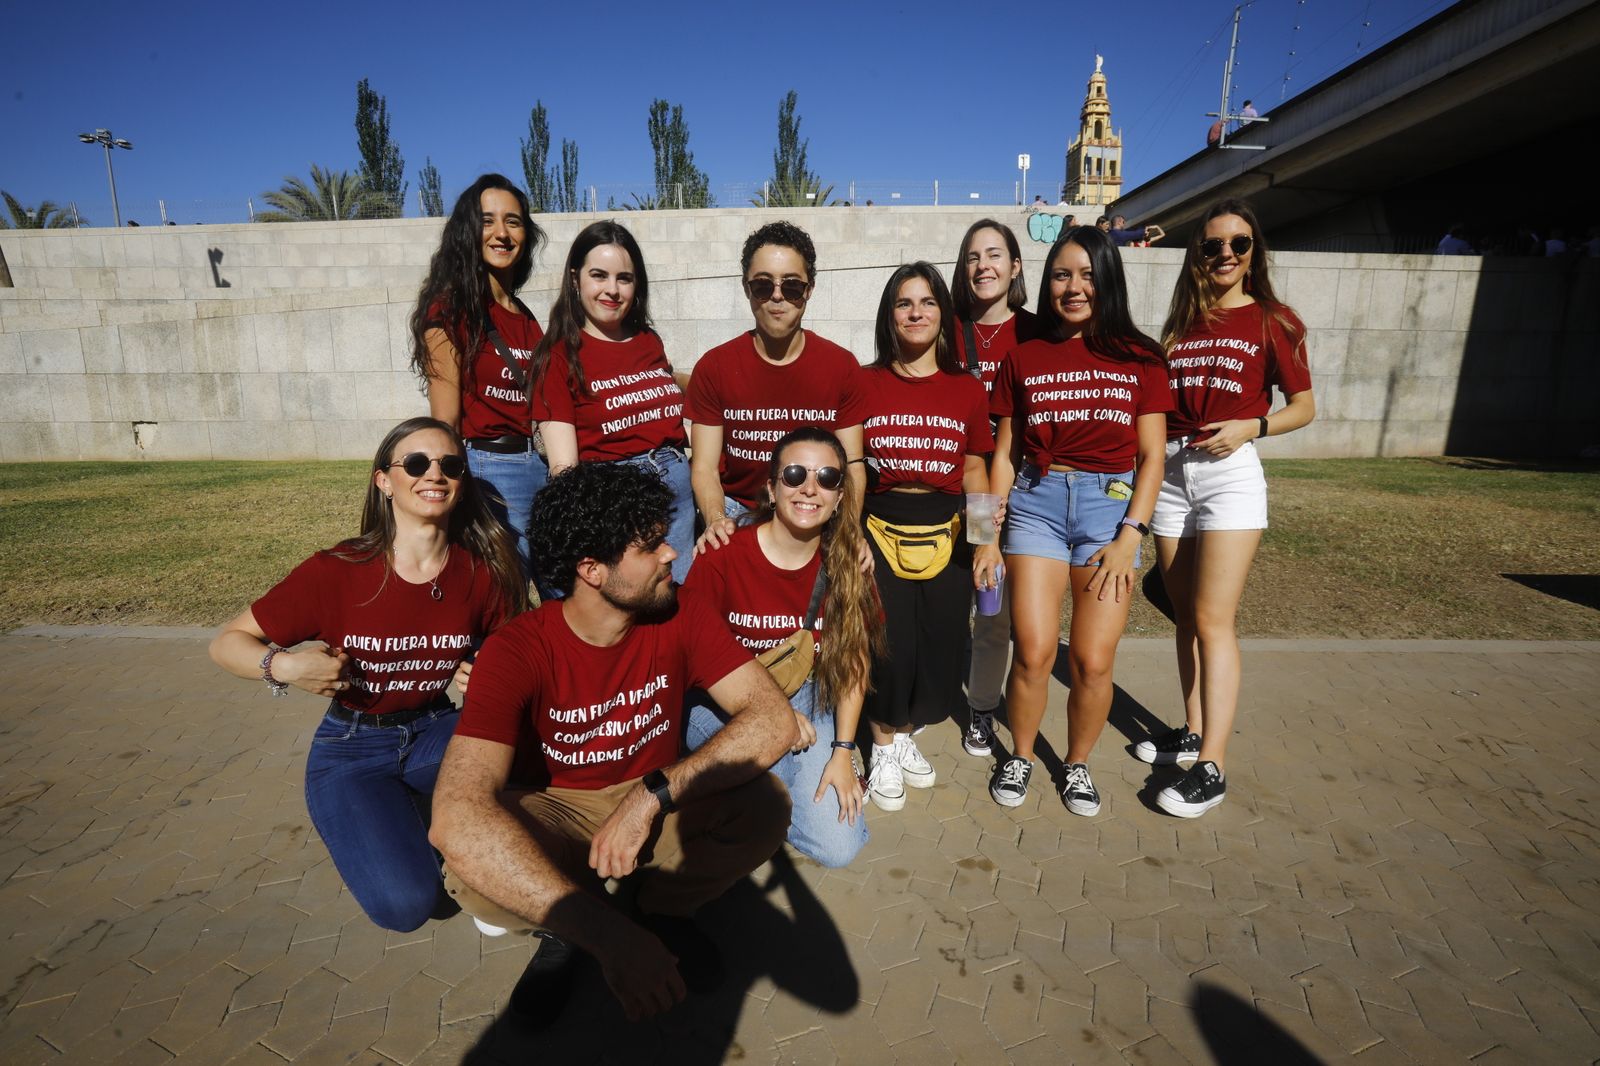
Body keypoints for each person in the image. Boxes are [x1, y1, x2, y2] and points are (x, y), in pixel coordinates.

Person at [428, 462, 797, 1025]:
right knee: (469, 873)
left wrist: (649, 797)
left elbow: (773, 720)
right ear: (591, 570)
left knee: (765, 803)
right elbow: (455, 814)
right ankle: (572, 927)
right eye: (651, 546)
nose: (673, 554)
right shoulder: (517, 649)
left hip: (650, 793)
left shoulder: (681, 610)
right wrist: (610, 941)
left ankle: (662, 910)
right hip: (557, 808)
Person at [208, 417, 525, 931]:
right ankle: (402, 817)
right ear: (384, 480)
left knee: (526, 741)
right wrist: (283, 665)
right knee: (406, 906)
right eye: (417, 464)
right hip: (353, 746)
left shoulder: (484, 570)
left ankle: (476, 859)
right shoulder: (338, 570)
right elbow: (226, 643)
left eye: (450, 465)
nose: (434, 475)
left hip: (434, 730)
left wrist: (489, 672)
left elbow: (516, 654)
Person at [976, 226, 1172, 812]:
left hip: (1109, 514)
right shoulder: (1023, 356)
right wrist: (984, 538)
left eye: (1087, 274)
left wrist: (1129, 536)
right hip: (1034, 504)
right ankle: (1022, 756)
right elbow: (1002, 455)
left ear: (1108, 279)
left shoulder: (1141, 356)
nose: (1073, 286)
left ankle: (1079, 764)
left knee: (1091, 660)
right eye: (1061, 274)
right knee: (1034, 650)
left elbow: (1152, 457)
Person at [1140, 199, 1315, 818]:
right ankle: (1191, 731)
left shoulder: (1274, 320)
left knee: (1214, 619)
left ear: (1253, 251)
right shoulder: (1182, 323)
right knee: (1185, 614)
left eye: (1238, 244)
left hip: (1229, 474)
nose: (1224, 255)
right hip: (1173, 475)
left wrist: (1253, 426)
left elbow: (1304, 405)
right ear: (1197, 255)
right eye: (1212, 246)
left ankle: (1212, 764)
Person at [685, 427, 882, 865]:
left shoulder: (850, 564)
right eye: (794, 474)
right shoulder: (723, 555)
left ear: (839, 497)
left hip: (808, 698)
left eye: (828, 478)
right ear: (771, 489)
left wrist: (844, 752)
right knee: (762, 779)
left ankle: (756, 803)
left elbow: (853, 662)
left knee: (838, 848)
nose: (810, 488)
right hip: (722, 702)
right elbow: (694, 662)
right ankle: (753, 804)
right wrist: (775, 718)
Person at [857, 262, 994, 810]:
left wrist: (985, 541)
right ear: (889, 315)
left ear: (944, 313)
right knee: (889, 645)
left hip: (949, 530)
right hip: (880, 523)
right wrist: (850, 536)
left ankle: (907, 731)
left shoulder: (966, 388)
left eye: (927, 302)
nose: (916, 313)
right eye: (903, 303)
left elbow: (976, 470)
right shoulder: (864, 383)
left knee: (938, 644)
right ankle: (882, 744)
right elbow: (852, 467)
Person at [687, 221, 869, 547]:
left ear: (809, 290)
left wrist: (850, 530)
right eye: (762, 285)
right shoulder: (714, 367)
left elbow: (853, 464)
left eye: (792, 286)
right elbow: (704, 468)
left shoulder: (841, 367)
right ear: (746, 289)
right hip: (737, 516)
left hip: (814, 514)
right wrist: (716, 520)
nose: (776, 296)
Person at [531, 220, 694, 583]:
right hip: (617, 503)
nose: (612, 290)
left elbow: (659, 389)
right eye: (599, 276)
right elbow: (564, 472)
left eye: (624, 278)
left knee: (676, 604)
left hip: (678, 497)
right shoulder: (557, 357)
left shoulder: (647, 340)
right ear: (575, 279)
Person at [409, 174, 547, 578]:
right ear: (468, 231)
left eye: (513, 221)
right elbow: (446, 419)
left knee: (562, 594)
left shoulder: (525, 314)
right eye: (487, 221)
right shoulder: (449, 309)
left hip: (540, 462)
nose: (501, 233)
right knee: (505, 596)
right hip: (492, 469)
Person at [949, 220, 1036, 761]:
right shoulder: (946, 328)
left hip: (1005, 488)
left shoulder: (1038, 331)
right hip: (945, 483)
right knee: (939, 601)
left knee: (992, 603)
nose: (984, 265)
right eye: (973, 257)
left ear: (1016, 267)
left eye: (995, 254)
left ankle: (981, 706)